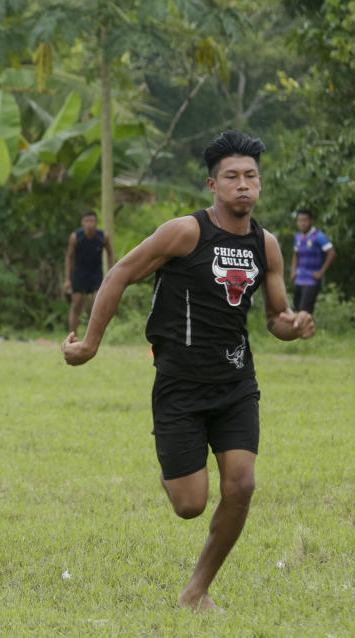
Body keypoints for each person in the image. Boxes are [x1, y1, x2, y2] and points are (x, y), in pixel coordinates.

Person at [61, 131, 314, 611]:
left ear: (260, 184)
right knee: (189, 504)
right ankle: (174, 462)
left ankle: (196, 591)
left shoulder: (268, 245)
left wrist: (294, 324)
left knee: (241, 485)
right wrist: (91, 343)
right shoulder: (184, 232)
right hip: (179, 381)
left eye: (251, 177)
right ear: (212, 184)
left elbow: (275, 319)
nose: (243, 185)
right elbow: (119, 274)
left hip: (236, 382)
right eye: (232, 177)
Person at [63, 210, 114, 336]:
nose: (89, 224)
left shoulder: (103, 236)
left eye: (92, 221)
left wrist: (111, 273)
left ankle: (93, 335)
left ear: (96, 223)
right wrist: (67, 279)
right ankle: (72, 334)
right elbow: (69, 257)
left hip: (96, 274)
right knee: (76, 305)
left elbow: (110, 254)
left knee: (97, 303)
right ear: (82, 223)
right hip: (79, 274)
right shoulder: (76, 237)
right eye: (87, 221)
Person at [290, 209, 336, 315]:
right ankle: (297, 332)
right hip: (299, 278)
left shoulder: (319, 236)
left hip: (311, 279)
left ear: (311, 221)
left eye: (305, 220)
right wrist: (293, 271)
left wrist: (321, 271)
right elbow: (296, 254)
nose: (302, 223)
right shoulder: (298, 237)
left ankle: (306, 331)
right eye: (299, 220)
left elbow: (332, 253)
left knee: (304, 312)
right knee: (295, 310)